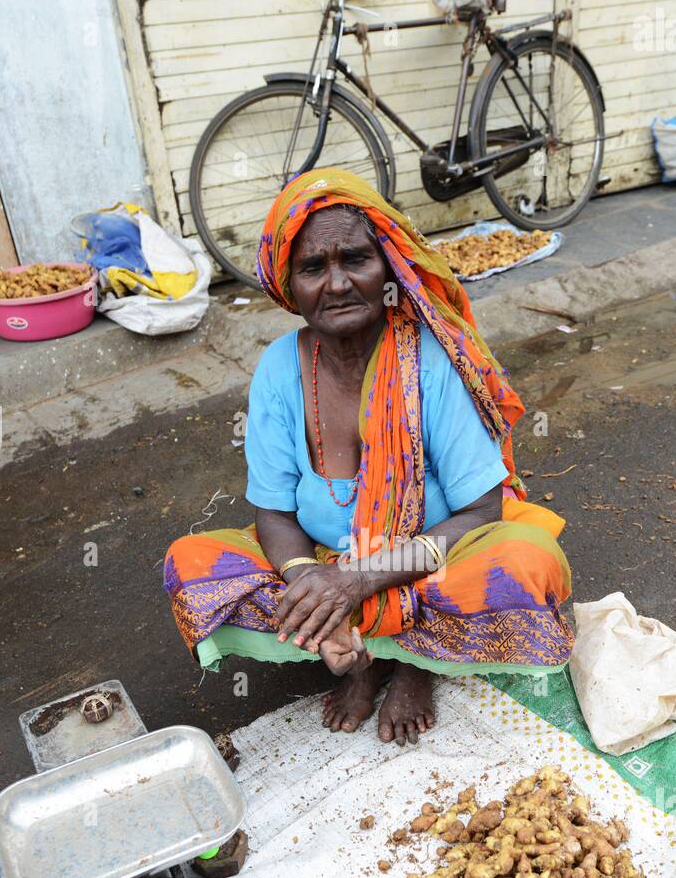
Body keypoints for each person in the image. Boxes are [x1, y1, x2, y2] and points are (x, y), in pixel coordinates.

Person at [164, 167, 573, 746]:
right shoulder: (279, 369)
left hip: (428, 566)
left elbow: (483, 512)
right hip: (324, 561)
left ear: (388, 268)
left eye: (354, 259)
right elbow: (275, 514)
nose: (336, 284)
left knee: (526, 562)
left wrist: (355, 582)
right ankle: (361, 658)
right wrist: (314, 584)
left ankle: (412, 664)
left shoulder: (430, 362)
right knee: (192, 564)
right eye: (313, 267)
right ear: (289, 284)